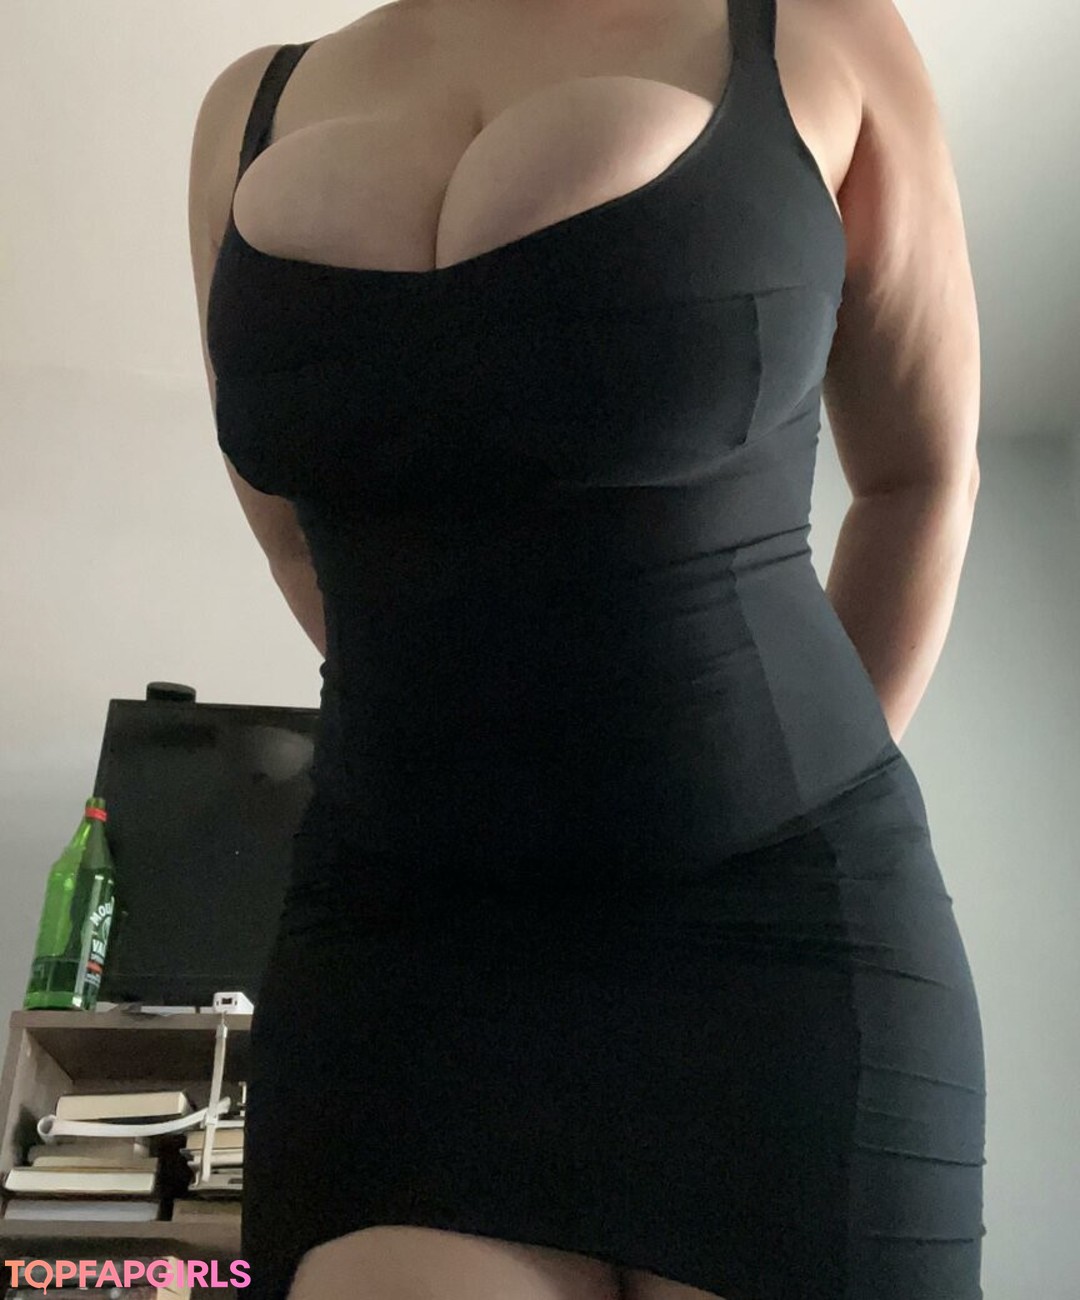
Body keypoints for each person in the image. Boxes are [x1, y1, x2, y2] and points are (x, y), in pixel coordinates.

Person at [187, 0, 986, 1297]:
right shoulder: (246, 110)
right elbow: (298, 543)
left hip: (779, 940)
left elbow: (919, 480)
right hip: (400, 945)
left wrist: (749, 797)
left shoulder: (820, 28)